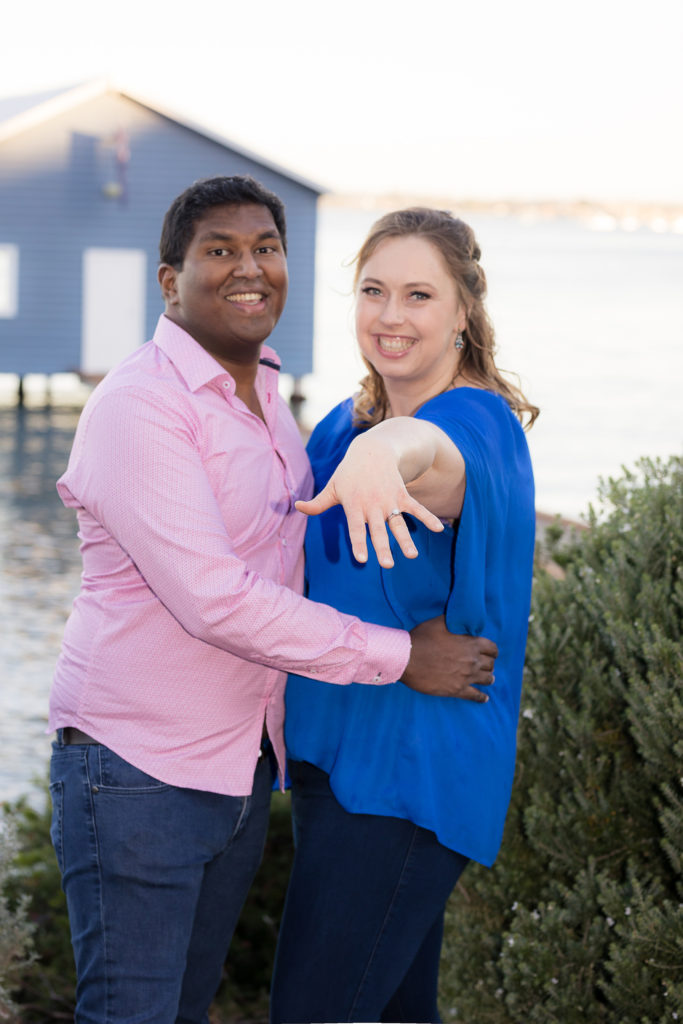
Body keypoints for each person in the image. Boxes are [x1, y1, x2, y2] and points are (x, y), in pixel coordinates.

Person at [47, 178, 497, 1024]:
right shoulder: (141, 406)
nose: (248, 268)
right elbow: (215, 600)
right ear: (169, 279)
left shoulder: (268, 399)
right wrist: (402, 657)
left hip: (239, 771)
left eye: (265, 248)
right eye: (218, 250)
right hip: (139, 769)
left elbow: (431, 451)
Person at [270, 207, 539, 1024]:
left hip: (408, 778)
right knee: (391, 1011)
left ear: (463, 310)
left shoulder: (475, 425)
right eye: (372, 291)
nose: (390, 316)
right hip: (331, 760)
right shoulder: (339, 428)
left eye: (419, 295)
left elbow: (426, 455)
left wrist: (383, 454)